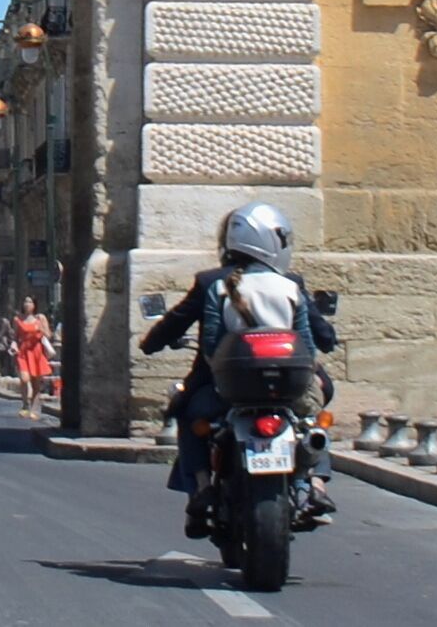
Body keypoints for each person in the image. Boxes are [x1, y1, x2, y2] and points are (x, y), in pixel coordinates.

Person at [139, 203, 338, 539]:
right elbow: (309, 342)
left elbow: (211, 344)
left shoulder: (214, 285)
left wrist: (151, 343)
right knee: (313, 418)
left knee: (187, 414)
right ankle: (316, 482)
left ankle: (201, 486)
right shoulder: (290, 284)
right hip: (287, 389)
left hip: (228, 391)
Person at [9, 298, 55, 410]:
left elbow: (48, 335)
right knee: (24, 379)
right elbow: (15, 337)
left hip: (36, 353)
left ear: (35, 305)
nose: (27, 304)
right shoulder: (17, 319)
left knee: (36, 384)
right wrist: (13, 345)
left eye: (30, 302)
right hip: (23, 352)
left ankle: (34, 408)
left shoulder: (40, 318)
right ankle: (25, 404)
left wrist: (41, 329)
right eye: (25, 301)